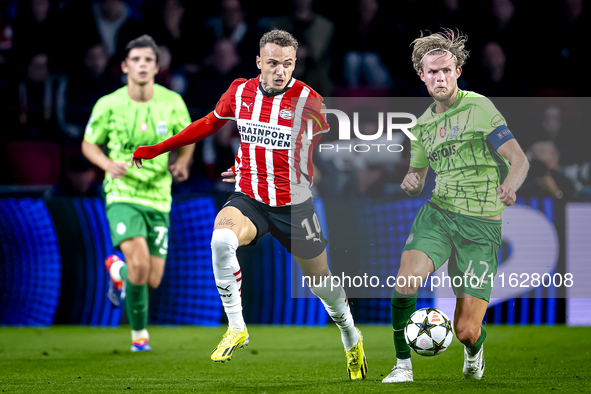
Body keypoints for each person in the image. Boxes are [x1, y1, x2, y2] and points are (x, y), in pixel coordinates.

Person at [131, 29, 368, 379]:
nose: (280, 70)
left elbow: (330, 147)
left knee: (320, 283)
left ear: (295, 64)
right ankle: (237, 325)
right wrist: (157, 149)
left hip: (294, 206)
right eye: (272, 62)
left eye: (287, 64)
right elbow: (206, 126)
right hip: (249, 197)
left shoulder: (311, 101)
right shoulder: (240, 91)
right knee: (221, 240)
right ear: (259, 61)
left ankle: (350, 335)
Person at [382, 29, 529, 383]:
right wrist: (412, 183)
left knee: (465, 330)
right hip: (439, 214)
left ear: (458, 70)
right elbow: (416, 178)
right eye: (433, 72)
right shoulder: (422, 127)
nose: (440, 77)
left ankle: (474, 353)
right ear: (422, 75)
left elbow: (519, 159)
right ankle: (403, 366)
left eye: (447, 70)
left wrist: (509, 186)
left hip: (481, 227)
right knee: (404, 284)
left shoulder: (479, 106)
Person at [82, 34, 195, 352]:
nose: (142, 65)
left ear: (157, 67)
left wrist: (183, 162)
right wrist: (107, 163)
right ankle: (139, 336)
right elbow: (88, 143)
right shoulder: (109, 104)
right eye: (136, 60)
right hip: (122, 193)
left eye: (148, 60)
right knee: (140, 266)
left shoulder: (172, 102)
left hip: (159, 196)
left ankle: (117, 271)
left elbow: (188, 139)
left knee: (152, 279)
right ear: (124, 66)